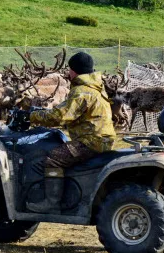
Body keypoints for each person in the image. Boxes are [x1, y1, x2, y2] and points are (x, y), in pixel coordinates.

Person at [25, 52, 116, 213]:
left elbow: (60, 116)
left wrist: (33, 115)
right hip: (103, 139)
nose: (68, 73)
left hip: (90, 142)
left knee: (53, 159)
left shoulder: (81, 90)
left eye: (69, 69)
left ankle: (51, 203)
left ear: (74, 71)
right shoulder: (96, 88)